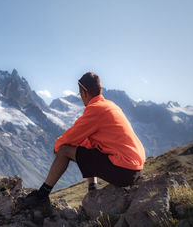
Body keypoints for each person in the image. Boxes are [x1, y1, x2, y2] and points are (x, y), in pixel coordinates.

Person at [18, 72, 146, 208]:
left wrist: (58, 148)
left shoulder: (96, 110)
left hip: (123, 170)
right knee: (86, 148)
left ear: (84, 92)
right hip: (134, 169)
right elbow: (86, 142)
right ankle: (93, 190)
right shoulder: (110, 106)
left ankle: (42, 196)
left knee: (64, 150)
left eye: (80, 94)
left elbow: (70, 137)